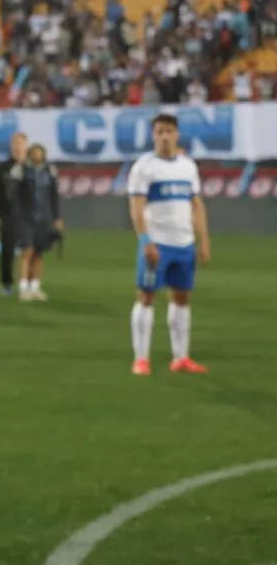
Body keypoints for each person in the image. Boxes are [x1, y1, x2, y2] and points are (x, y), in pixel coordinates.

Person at [127, 113, 211, 376]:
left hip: (184, 243)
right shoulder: (144, 167)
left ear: (177, 134)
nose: (164, 136)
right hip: (158, 244)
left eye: (168, 131)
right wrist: (145, 239)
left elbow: (196, 205)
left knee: (182, 298)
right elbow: (136, 207)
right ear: (154, 136)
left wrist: (204, 240)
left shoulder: (188, 167)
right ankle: (141, 358)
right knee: (146, 296)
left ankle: (181, 357)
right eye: (159, 132)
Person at [16, 144, 63, 302]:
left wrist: (57, 217)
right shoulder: (23, 171)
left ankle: (35, 287)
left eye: (40, 153)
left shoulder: (49, 172)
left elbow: (54, 196)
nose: (37, 156)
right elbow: (16, 195)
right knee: (27, 251)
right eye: (35, 153)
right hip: (27, 217)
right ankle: (23, 288)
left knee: (39, 253)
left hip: (44, 218)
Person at [0, 132, 28, 296]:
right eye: (15, 144)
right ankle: (6, 283)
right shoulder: (4, 167)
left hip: (27, 215)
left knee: (29, 250)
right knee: (7, 251)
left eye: (20, 144)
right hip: (8, 215)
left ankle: (26, 283)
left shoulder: (30, 167)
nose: (17, 147)